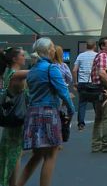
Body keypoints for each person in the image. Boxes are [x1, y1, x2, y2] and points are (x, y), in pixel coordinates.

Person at [16, 38, 74, 186]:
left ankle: (18, 184)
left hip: (33, 114)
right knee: (51, 154)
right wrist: (71, 109)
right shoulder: (51, 68)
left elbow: (29, 94)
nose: (54, 49)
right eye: (53, 47)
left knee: (37, 155)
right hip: (48, 114)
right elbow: (63, 91)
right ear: (48, 50)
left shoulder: (33, 69)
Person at [0, 47, 29, 186]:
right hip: (17, 117)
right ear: (14, 59)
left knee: (9, 151)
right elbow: (35, 72)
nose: (25, 57)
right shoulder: (15, 74)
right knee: (15, 153)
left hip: (10, 116)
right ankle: (13, 183)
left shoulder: (7, 72)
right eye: (22, 55)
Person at [72, 40, 98, 131]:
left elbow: (75, 70)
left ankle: (81, 124)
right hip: (94, 83)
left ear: (86, 46)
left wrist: (75, 82)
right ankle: (98, 122)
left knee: (82, 104)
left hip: (82, 83)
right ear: (94, 46)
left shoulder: (81, 56)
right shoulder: (97, 56)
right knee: (96, 103)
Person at [52, 46, 73, 144]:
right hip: (63, 92)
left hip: (52, 93)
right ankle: (60, 136)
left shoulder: (49, 65)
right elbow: (69, 79)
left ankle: (53, 135)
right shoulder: (63, 66)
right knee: (63, 114)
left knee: (54, 114)